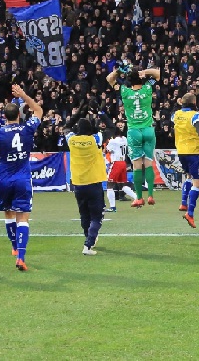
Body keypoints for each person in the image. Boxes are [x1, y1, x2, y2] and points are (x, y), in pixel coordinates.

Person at [0, 84, 42, 271]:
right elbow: (38, 110)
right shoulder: (27, 128)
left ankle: (14, 247)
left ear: (3, 117)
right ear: (19, 115)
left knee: (8, 213)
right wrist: (23, 95)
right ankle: (21, 258)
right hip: (22, 178)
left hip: (4, 179)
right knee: (23, 216)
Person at [107, 66, 160, 207]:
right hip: (148, 129)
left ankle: (139, 198)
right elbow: (158, 74)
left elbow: (109, 79)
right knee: (148, 163)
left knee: (137, 165)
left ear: (129, 80)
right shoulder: (148, 88)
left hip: (134, 131)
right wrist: (145, 72)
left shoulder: (124, 91)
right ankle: (150, 195)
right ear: (141, 78)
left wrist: (120, 71)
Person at [172, 92, 199, 228]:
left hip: (181, 151)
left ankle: (183, 202)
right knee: (197, 183)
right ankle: (190, 213)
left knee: (188, 176)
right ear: (194, 103)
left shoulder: (176, 115)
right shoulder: (195, 116)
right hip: (194, 151)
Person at [66, 119, 109, 255]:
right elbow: (110, 128)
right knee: (97, 216)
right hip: (94, 182)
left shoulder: (71, 139)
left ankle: (89, 237)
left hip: (78, 183)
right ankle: (88, 244)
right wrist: (100, 114)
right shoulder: (95, 139)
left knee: (84, 214)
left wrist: (78, 112)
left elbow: (66, 127)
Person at [104, 129, 137, 212]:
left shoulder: (113, 141)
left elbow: (107, 151)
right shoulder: (125, 139)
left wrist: (107, 144)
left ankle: (113, 207)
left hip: (116, 163)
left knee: (109, 185)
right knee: (123, 185)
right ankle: (137, 198)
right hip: (123, 163)